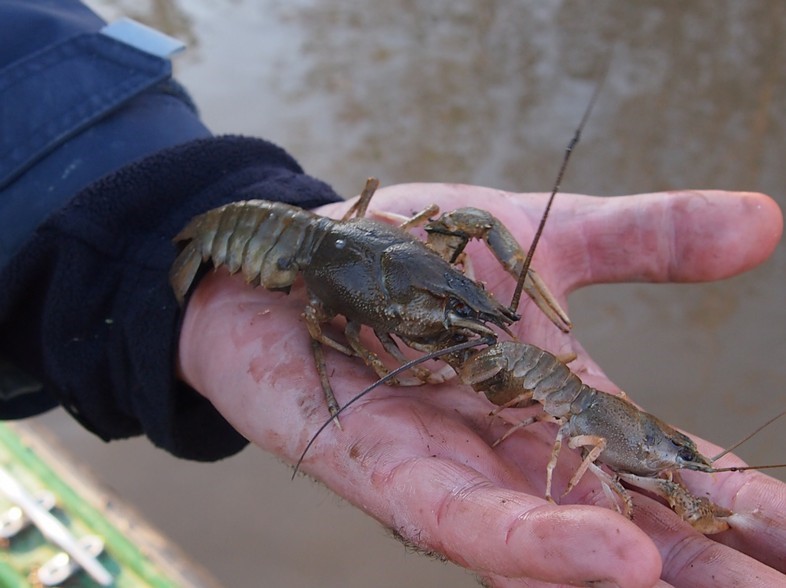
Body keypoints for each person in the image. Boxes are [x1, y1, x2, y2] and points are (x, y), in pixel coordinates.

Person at [1, 2, 784, 586]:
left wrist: (128, 247)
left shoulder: (440, 276)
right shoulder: (319, 297)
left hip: (295, 231)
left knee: (452, 292)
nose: (462, 319)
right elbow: (333, 324)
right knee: (360, 328)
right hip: (249, 236)